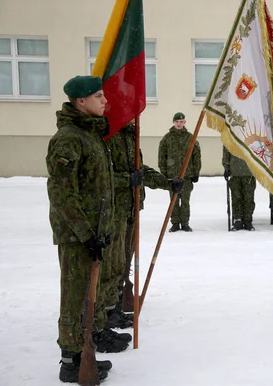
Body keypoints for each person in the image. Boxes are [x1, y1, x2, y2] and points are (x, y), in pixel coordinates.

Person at [47, 75, 118, 382]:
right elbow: (62, 193)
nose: (105, 101)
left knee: (86, 297)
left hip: (93, 233)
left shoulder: (90, 135)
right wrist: (86, 234)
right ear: (81, 101)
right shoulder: (69, 138)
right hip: (78, 236)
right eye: (98, 96)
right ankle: (70, 361)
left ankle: (81, 350)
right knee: (74, 295)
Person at [107, 120, 184, 321]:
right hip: (114, 211)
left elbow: (140, 171)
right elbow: (101, 176)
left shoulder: (130, 137)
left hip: (132, 209)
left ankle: (116, 306)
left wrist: (167, 183)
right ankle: (107, 311)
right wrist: (128, 180)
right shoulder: (108, 135)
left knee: (124, 261)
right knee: (112, 264)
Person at [158, 112, 202, 232]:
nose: (179, 124)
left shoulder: (190, 138)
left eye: (181, 122)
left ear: (184, 123)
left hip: (186, 176)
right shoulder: (167, 138)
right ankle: (175, 223)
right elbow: (162, 156)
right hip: (172, 176)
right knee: (174, 201)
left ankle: (185, 222)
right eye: (177, 122)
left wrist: (196, 172)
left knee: (185, 201)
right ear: (173, 122)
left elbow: (196, 156)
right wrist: (164, 173)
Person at [223, 146, 256, 231]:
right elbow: (226, 151)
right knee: (236, 198)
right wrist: (226, 168)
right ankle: (238, 220)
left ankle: (248, 220)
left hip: (249, 173)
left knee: (248, 198)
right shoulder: (231, 136)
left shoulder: (250, 135)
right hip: (235, 173)